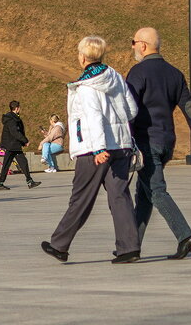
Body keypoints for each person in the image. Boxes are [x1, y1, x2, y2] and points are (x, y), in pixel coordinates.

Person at [42, 36, 141, 264]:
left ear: (83, 57)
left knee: (81, 196)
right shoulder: (116, 77)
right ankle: (129, 247)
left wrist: (98, 148)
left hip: (93, 149)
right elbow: (131, 110)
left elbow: (94, 118)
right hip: (121, 145)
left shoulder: (86, 86)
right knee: (119, 196)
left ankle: (59, 245)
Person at [126, 27, 191, 259]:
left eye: (133, 42)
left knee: (156, 191)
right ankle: (131, 246)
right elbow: (188, 107)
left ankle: (186, 238)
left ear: (142, 45)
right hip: (166, 143)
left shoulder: (138, 72)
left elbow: (128, 109)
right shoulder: (175, 73)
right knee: (144, 195)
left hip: (145, 142)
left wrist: (123, 139)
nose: (132, 47)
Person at [0, 101, 41, 190]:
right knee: (7, 164)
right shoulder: (11, 119)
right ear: (16, 108)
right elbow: (15, 132)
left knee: (21, 162)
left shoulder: (13, 118)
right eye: (19, 107)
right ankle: (0, 183)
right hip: (11, 145)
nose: (20, 109)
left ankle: (29, 181)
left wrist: (22, 142)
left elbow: (17, 131)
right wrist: (25, 140)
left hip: (14, 145)